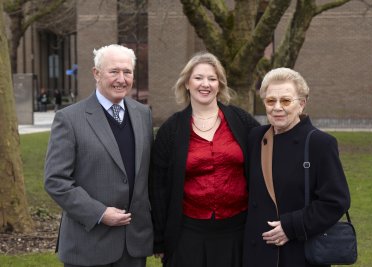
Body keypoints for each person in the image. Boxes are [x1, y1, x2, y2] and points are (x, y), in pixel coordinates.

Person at [44, 44, 153, 267]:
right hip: (88, 244)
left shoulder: (143, 114)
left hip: (133, 247)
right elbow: (56, 181)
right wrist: (99, 213)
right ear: (96, 73)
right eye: (114, 71)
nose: (121, 79)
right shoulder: (70, 119)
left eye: (127, 72)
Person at [150, 52, 260, 267]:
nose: (205, 84)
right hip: (188, 234)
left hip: (238, 231)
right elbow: (158, 188)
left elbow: (267, 164)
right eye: (198, 78)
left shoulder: (242, 121)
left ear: (220, 84)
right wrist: (160, 240)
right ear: (187, 83)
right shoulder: (170, 130)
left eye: (212, 78)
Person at [243, 67, 351, 267]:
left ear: (301, 104)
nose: (277, 107)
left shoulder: (320, 143)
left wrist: (291, 226)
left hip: (298, 253)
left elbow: (336, 201)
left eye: (285, 100)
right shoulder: (256, 138)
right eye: (270, 100)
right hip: (257, 253)